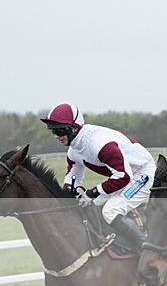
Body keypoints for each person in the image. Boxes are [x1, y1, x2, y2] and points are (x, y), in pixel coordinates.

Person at [40, 102, 154, 251]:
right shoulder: (74, 151)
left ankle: (147, 250)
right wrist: (67, 195)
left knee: (111, 211)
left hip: (142, 173)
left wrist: (92, 192)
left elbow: (123, 177)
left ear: (74, 128)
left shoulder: (99, 145)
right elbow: (72, 179)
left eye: (59, 130)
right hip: (124, 176)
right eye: (52, 131)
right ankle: (117, 248)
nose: (56, 136)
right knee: (90, 207)